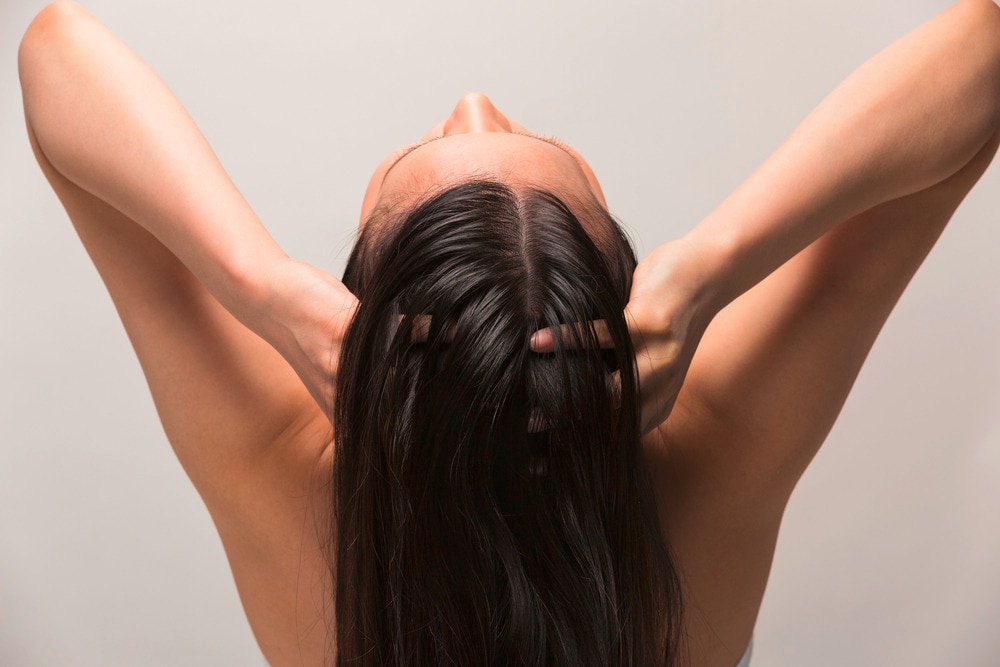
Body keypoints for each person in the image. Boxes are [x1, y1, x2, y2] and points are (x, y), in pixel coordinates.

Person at [17, 0, 1000, 665]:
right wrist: (711, 264)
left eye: (433, 141)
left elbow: (53, 52)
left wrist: (261, 283)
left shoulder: (287, 471)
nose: (470, 102)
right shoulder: (713, 454)